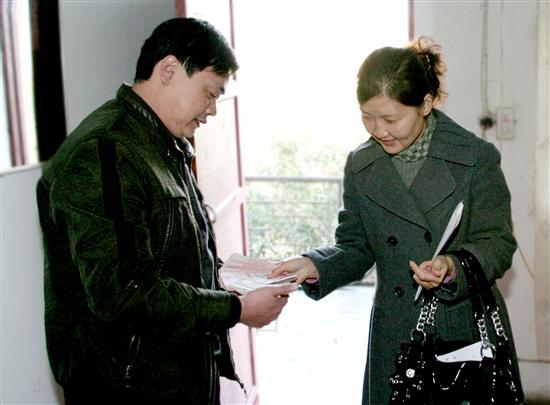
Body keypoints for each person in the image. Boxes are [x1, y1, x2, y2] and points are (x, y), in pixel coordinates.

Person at [37, 17, 293, 404]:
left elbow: (165, 257)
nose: (212, 110)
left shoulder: (160, 144)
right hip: (128, 388)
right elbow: (123, 294)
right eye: (210, 93)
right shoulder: (105, 150)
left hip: (171, 378)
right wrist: (235, 309)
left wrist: (229, 274)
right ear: (169, 69)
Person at [271, 36, 522, 404]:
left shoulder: (475, 158)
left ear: (426, 103)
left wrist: (452, 267)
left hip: (458, 332)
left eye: (391, 118)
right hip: (396, 330)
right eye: (367, 116)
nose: (379, 130)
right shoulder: (362, 164)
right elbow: (356, 246)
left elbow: (497, 243)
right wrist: (316, 264)